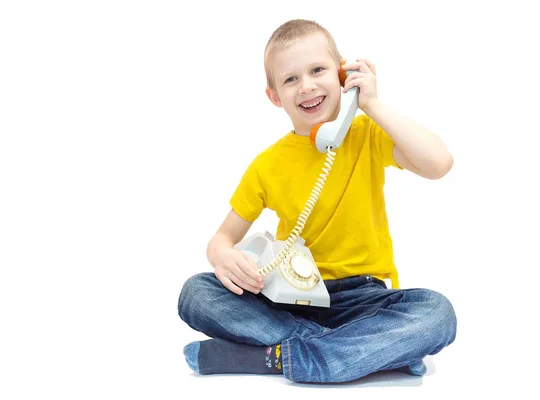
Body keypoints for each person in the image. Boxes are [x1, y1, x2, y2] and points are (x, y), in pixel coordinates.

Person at [177, 18, 457, 383]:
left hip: (363, 300)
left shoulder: (367, 135)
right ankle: (369, 353)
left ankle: (275, 358)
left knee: (438, 313)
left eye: (318, 70)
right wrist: (223, 256)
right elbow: (221, 238)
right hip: (289, 300)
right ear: (274, 95)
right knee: (196, 293)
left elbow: (439, 164)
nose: (306, 86)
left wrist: (371, 104)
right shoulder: (267, 165)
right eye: (290, 79)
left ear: (342, 74)